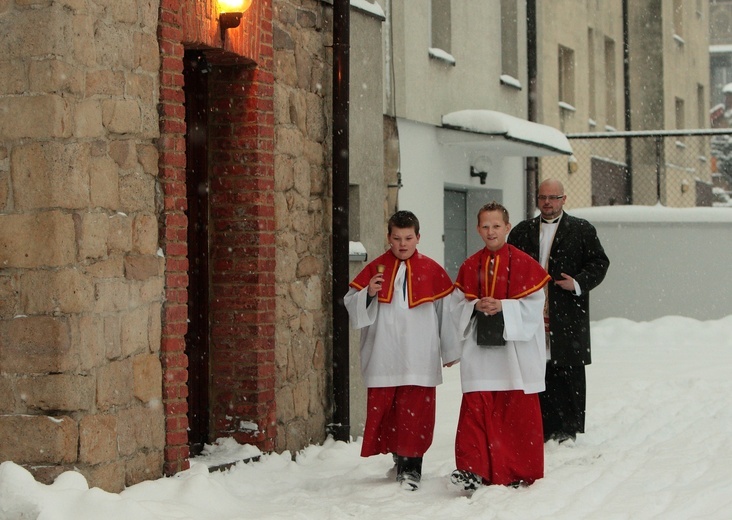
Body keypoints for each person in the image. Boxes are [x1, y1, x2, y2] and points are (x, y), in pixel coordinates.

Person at [344, 210, 459, 491]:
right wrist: (368, 293)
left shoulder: (432, 270)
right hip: (384, 352)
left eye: (408, 238)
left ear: (418, 237)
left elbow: (447, 311)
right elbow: (352, 305)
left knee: (416, 412)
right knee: (389, 411)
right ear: (389, 238)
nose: (403, 244)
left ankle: (411, 467)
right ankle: (399, 456)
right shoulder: (375, 268)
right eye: (397, 238)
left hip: (420, 353)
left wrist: (450, 349)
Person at [449, 202, 551, 491]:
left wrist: (504, 306)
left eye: (496, 226)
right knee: (475, 411)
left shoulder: (525, 264)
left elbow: (534, 306)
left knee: (514, 413)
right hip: (480, 355)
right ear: (477, 229)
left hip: (512, 356)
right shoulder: (470, 266)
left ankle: (516, 469)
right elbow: (455, 308)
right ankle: (472, 470)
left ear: (508, 227)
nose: (490, 231)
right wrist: (474, 305)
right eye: (485, 226)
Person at [508, 178, 610, 443]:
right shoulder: (521, 231)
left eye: (553, 198)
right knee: (536, 364)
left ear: (564, 199)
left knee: (567, 366)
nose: (547, 203)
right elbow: (509, 264)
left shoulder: (581, 229)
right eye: (543, 197)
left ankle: (569, 426)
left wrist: (577, 282)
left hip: (567, 308)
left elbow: (599, 263)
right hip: (531, 308)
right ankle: (540, 422)